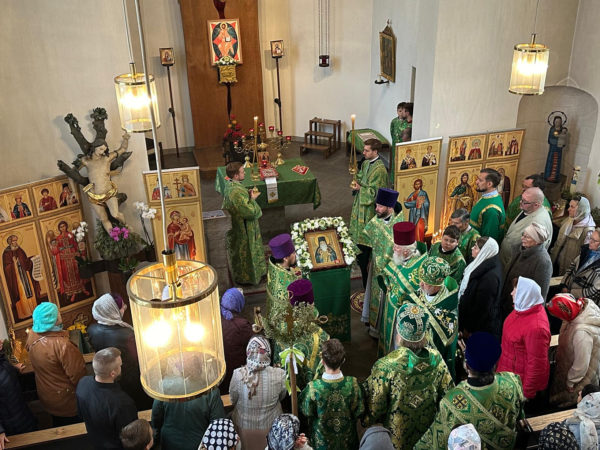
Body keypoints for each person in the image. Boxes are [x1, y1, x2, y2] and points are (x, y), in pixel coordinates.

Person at [363, 303, 453, 449]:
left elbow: (375, 406)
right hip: (426, 434)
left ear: (398, 332)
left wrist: (367, 418)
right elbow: (447, 395)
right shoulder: (436, 360)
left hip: (396, 436)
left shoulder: (385, 367)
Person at [415, 332, 525, 449]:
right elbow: (519, 416)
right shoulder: (513, 382)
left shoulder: (450, 403)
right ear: (496, 364)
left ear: (466, 366)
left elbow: (437, 442)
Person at [88, 293, 151, 410]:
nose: (124, 310)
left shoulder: (92, 330)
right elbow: (137, 358)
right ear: (112, 311)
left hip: (108, 377)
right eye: (122, 307)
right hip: (129, 378)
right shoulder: (126, 335)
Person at [26, 302, 86, 426]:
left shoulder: (31, 336)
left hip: (48, 396)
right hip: (67, 400)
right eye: (57, 313)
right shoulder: (63, 345)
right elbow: (78, 376)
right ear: (53, 320)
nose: (60, 313)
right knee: (75, 428)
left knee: (58, 424)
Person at [299, 339, 363, 450]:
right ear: (343, 361)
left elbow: (306, 411)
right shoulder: (353, 384)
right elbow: (360, 410)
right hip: (347, 441)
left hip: (322, 442)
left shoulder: (314, 387)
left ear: (322, 362)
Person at [358, 188, 404, 336]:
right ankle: (375, 329)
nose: (376, 209)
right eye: (376, 205)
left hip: (394, 271)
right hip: (377, 268)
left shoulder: (401, 222)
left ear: (390, 207)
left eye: (380, 206)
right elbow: (364, 246)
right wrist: (366, 262)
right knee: (376, 298)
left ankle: (389, 331)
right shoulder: (374, 223)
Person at [497, 277, 550, 401]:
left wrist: (526, 394)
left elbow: (537, 365)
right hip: (508, 377)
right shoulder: (522, 308)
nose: (511, 293)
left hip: (519, 385)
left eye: (515, 290)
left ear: (525, 294)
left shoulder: (537, 328)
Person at [377, 222, 427, 355]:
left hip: (402, 316)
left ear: (406, 251)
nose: (393, 248)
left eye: (396, 247)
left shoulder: (419, 268)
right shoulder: (399, 258)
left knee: (397, 344)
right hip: (390, 307)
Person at [230, 336, 286, 450]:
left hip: (243, 428)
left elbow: (232, 399)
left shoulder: (237, 374)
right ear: (268, 352)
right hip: (271, 427)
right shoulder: (280, 374)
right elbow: (282, 396)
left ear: (248, 352)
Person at [76, 347, 138, 450]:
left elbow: (80, 413)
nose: (122, 366)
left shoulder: (83, 383)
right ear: (113, 373)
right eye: (120, 365)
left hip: (94, 439)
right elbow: (130, 437)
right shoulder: (123, 403)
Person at [272, 280, 329, 388]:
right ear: (311, 306)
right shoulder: (321, 335)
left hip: (282, 385)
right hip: (310, 390)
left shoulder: (279, 326)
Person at [547, 293, 600, 407]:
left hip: (579, 381)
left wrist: (570, 382)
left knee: (568, 402)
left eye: (559, 316)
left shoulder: (582, 334)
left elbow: (581, 365)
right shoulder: (580, 308)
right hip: (570, 367)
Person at [410, 256, 459, 377]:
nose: (420, 285)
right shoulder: (421, 292)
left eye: (426, 283)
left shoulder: (448, 305)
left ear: (437, 285)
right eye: (421, 280)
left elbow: (447, 341)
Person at [349, 138, 388, 288]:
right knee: (359, 238)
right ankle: (360, 255)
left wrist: (361, 189)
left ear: (375, 151)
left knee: (366, 241)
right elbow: (360, 177)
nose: (363, 152)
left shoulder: (380, 170)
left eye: (367, 150)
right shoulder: (365, 163)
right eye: (364, 150)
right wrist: (355, 178)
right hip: (360, 205)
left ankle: (367, 272)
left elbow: (377, 193)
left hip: (370, 210)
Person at [222, 161, 267, 285]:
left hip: (240, 225)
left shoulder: (231, 184)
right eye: (242, 172)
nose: (244, 173)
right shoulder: (236, 192)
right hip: (244, 227)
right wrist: (252, 199)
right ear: (236, 175)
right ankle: (248, 278)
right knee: (248, 252)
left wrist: (247, 193)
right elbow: (250, 212)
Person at [152, 385, 225, 450]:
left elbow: (156, 419)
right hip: (199, 445)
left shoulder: (164, 387)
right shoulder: (211, 390)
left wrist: (156, 442)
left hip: (168, 444)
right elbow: (219, 426)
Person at [501, 223, 553, 315]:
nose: (522, 238)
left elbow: (540, 296)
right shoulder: (520, 249)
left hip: (520, 310)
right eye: (523, 235)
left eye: (527, 237)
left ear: (537, 241)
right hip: (505, 301)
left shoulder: (543, 262)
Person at [458, 237, 503, 338]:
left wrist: (469, 329)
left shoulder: (490, 278)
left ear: (484, 252)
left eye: (476, 247)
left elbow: (482, 309)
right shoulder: (480, 261)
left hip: (477, 327)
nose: (472, 248)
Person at [499, 187, 552, 266]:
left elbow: (533, 253)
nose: (520, 202)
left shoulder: (539, 222)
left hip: (516, 264)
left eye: (524, 201)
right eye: (522, 199)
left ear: (536, 205)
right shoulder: (529, 208)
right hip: (507, 258)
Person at [0, 347, 37, 447]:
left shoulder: (2, 361)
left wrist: (14, 369)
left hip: (22, 417)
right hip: (11, 429)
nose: (1, 342)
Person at [220, 288, 254, 395]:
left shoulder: (216, 319)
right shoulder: (241, 325)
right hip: (237, 372)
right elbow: (252, 344)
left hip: (220, 372)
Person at [552, 196, 596, 276]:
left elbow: (584, 256)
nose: (568, 209)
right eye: (569, 206)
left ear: (581, 210)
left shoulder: (589, 231)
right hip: (558, 262)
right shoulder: (570, 219)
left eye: (572, 207)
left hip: (569, 270)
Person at [2, 234, 41, 320]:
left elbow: (25, 261)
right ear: (10, 242)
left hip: (25, 274)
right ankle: (25, 313)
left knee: (29, 290)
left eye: (16, 240)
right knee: (22, 293)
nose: (15, 242)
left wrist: (32, 259)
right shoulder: (6, 253)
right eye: (14, 241)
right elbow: (6, 268)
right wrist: (13, 264)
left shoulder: (20, 250)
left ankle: (33, 310)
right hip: (16, 277)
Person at [560, 228, 600, 305]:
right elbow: (571, 268)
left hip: (584, 304)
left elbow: (596, 291)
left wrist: (571, 293)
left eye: (594, 240)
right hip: (569, 296)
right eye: (590, 238)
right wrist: (564, 285)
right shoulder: (586, 251)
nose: (590, 241)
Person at [55, 220, 90, 303]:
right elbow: (57, 248)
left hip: (73, 255)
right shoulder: (58, 238)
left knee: (76, 272)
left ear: (66, 226)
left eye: (64, 226)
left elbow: (75, 244)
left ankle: (82, 289)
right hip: (64, 258)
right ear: (59, 228)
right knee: (68, 275)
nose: (63, 228)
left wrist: (78, 252)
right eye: (61, 227)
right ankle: (72, 293)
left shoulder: (70, 234)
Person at [267, 234, 301, 317]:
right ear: (285, 258)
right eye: (293, 253)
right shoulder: (289, 281)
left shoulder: (273, 267)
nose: (295, 255)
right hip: (286, 318)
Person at [470, 168, 506, 242]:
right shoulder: (487, 197)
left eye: (480, 180)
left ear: (489, 184)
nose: (476, 182)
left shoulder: (492, 210)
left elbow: (488, 239)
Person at [545, 115, 569, 183]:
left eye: (559, 122)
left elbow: (564, 138)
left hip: (559, 150)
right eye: (556, 122)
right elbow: (550, 139)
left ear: (561, 122)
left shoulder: (562, 130)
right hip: (553, 149)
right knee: (551, 162)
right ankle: (548, 176)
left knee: (557, 163)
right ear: (554, 122)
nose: (558, 123)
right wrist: (557, 141)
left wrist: (562, 142)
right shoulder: (552, 129)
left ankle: (555, 177)